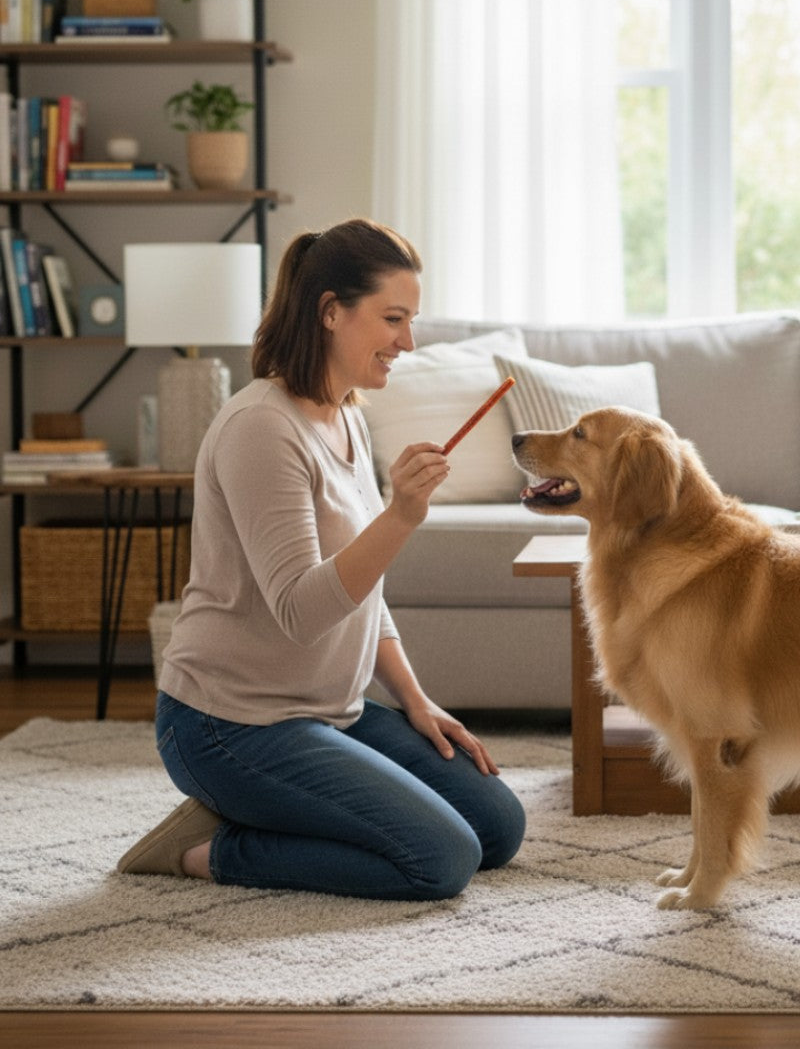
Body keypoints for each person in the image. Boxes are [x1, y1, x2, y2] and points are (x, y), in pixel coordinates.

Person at [117, 218, 525, 899]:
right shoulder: (262, 428)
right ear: (332, 311)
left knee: (497, 827)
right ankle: (206, 846)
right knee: (440, 859)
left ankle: (295, 802)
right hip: (230, 726)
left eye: (411, 320)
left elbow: (365, 593)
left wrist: (416, 701)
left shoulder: (347, 418)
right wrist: (399, 517)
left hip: (330, 708)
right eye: (393, 318)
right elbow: (301, 612)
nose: (408, 341)